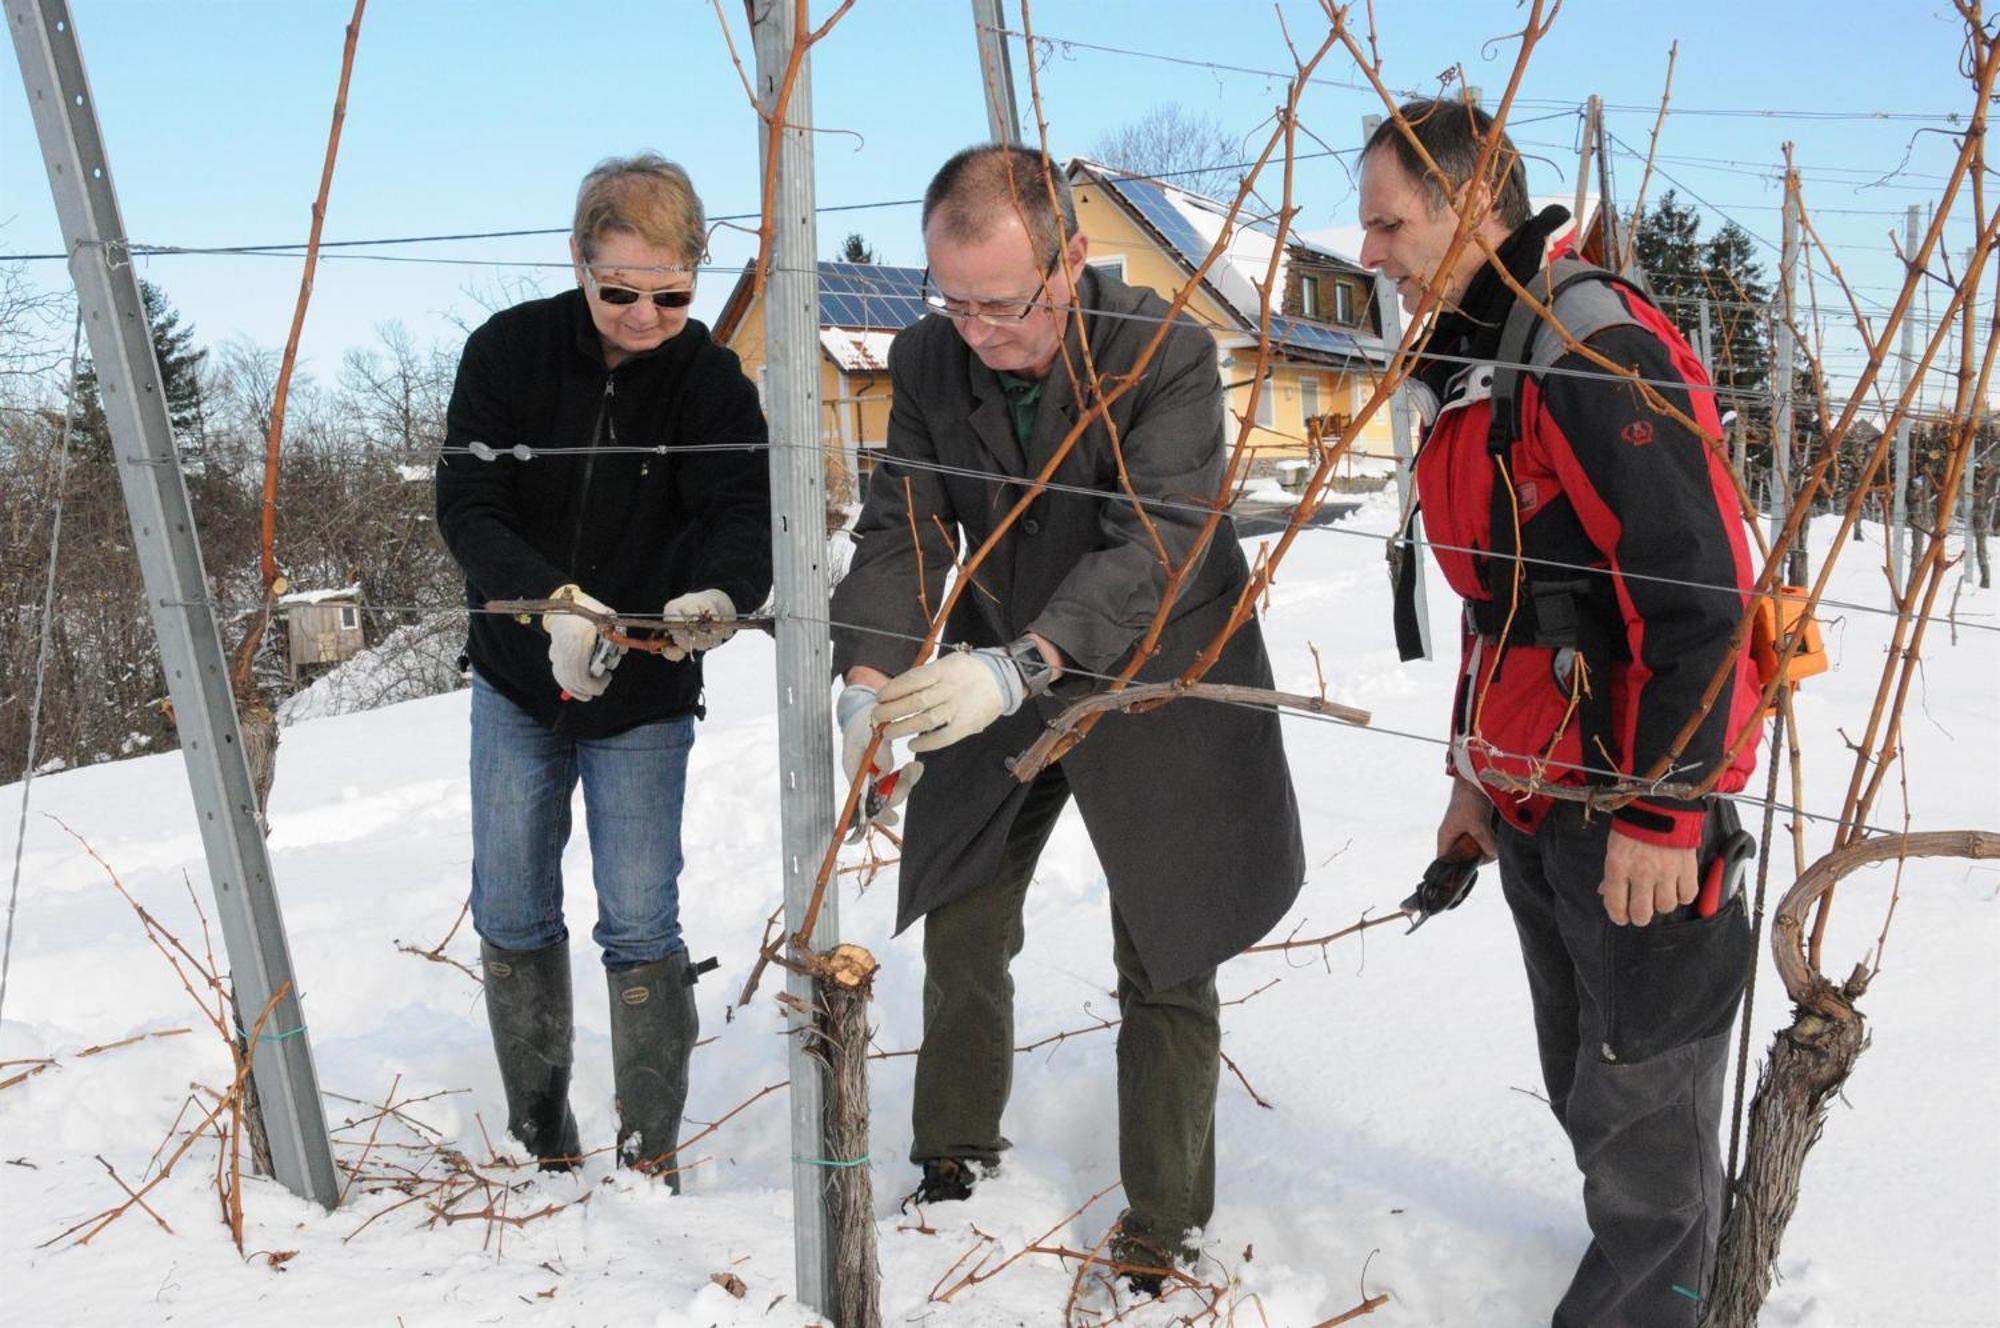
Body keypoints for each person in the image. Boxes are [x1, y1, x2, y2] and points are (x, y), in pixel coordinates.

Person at [829, 144, 1306, 1291]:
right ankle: (950, 1151)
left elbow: (1155, 540)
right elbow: (902, 526)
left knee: (1165, 944)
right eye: (954, 302)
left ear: (1071, 258)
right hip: (997, 653)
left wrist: (1025, 660)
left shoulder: (1165, 351)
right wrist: (865, 676)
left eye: (1001, 304)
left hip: (1152, 667)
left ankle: (1161, 1220)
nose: (977, 330)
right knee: (961, 900)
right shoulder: (934, 358)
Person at [1359, 101, 1762, 1325]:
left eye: (1390, 222)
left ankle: (1651, 1304)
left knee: (1642, 1086)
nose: (1367, 251)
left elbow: (1699, 593)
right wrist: (1472, 774)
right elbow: (1506, 599)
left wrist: (1661, 804)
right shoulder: (1479, 351)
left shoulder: (1582, 344)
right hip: (1535, 777)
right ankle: (1643, 1253)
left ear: (1476, 205)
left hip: (1625, 790)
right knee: (1585, 1074)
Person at [435, 153, 772, 1188]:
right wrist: (549, 602)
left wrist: (715, 597)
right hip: (516, 676)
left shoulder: (710, 380)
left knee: (636, 910)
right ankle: (540, 1129)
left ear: (695, 275)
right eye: (618, 290)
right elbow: (467, 504)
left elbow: (741, 514)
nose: (643, 312)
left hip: (645, 691)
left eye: (670, 293)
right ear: (579, 264)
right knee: (509, 903)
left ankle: (647, 1148)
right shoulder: (510, 352)